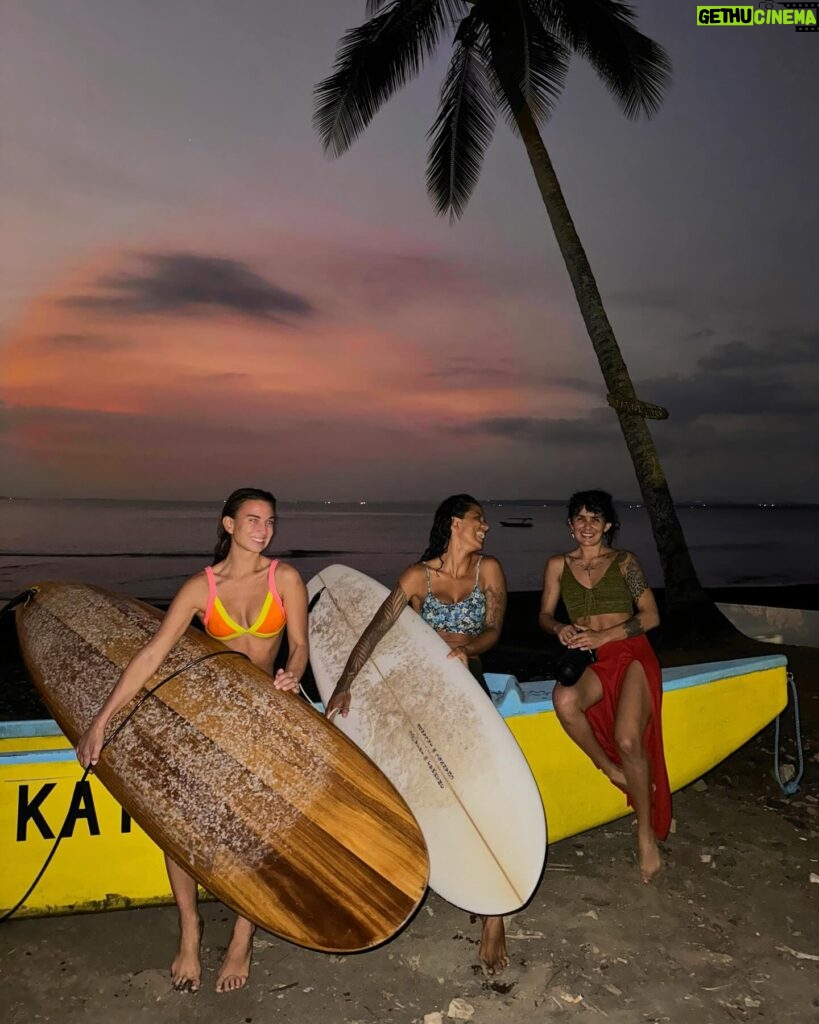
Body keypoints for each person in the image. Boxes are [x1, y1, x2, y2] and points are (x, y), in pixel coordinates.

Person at [76, 487, 308, 994]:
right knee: (177, 823)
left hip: (267, 714)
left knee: (255, 832)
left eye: (269, 520)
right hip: (211, 716)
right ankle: (189, 929)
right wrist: (100, 721)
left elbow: (300, 647)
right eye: (252, 519)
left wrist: (291, 674)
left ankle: (243, 935)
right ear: (228, 525)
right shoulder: (200, 588)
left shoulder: (285, 577)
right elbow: (151, 655)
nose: (263, 529)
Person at [325, 494, 510, 972]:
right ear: (454, 523)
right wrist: (344, 685)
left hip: (468, 686)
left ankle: (494, 915)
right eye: (477, 521)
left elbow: (494, 629)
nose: (485, 528)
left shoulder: (489, 570)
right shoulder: (416, 577)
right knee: (422, 789)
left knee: (481, 787)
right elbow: (374, 632)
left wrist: (469, 645)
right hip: (422, 694)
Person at [538, 490, 670, 883]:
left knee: (630, 739)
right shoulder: (558, 565)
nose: (587, 525)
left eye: (595, 518)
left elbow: (651, 616)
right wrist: (560, 627)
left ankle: (645, 835)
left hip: (631, 654)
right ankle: (609, 769)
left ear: (608, 525)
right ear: (570, 526)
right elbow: (544, 615)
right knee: (564, 700)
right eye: (579, 518)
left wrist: (605, 635)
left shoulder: (625, 562)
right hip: (595, 659)